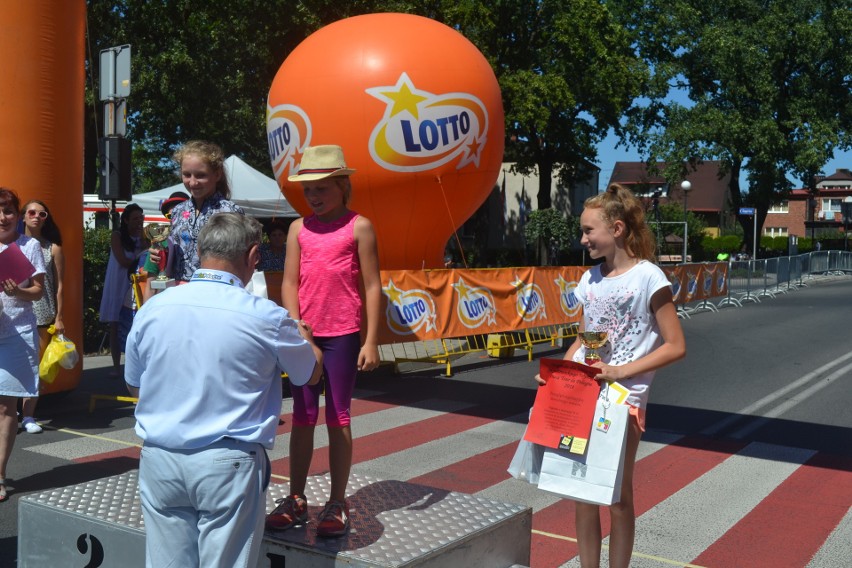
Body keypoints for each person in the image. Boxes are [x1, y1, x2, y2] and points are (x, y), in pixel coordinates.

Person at [124, 212, 323, 568]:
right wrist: (307, 338)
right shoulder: (266, 316)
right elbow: (309, 373)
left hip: (160, 456)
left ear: (200, 252)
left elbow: (134, 382)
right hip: (227, 461)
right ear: (253, 256)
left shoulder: (154, 307)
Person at [536, 183, 686, 568]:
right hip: (583, 396)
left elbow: (675, 345)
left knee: (618, 496)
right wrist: (558, 374)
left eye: (589, 230)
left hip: (624, 400)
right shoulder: (590, 280)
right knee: (582, 493)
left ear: (616, 229)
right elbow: (584, 339)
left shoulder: (649, 278)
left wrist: (619, 371)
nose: (583, 238)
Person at [266, 145, 381, 537]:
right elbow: (289, 282)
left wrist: (371, 340)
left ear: (342, 186)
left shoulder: (359, 226)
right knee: (302, 417)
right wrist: (297, 327)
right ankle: (297, 498)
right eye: (308, 190)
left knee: (338, 416)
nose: (313, 196)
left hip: (344, 335)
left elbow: (372, 285)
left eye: (322, 188)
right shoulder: (299, 228)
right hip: (305, 336)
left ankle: (336, 501)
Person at [0, 188, 46, 502]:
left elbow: (38, 292)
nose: (2, 217)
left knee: (6, 408)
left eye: (8, 211)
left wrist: (18, 291)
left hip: (16, 335)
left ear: (17, 215)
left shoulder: (29, 246)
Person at [165, 140, 244, 282]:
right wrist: (161, 254)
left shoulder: (231, 212)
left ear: (217, 175)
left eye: (201, 175)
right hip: (178, 293)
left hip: (214, 292)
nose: (193, 182)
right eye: (187, 175)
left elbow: (239, 261)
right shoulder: (177, 211)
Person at [19, 199, 65, 434]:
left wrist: (59, 317)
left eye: (42, 213)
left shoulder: (52, 247)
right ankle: (11, 410)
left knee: (35, 367)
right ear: (24, 216)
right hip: (13, 314)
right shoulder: (12, 245)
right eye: (32, 212)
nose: (37, 216)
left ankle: (28, 416)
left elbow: (59, 286)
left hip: (42, 313)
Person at [99, 203, 148, 377]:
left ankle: (134, 366)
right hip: (118, 282)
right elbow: (123, 260)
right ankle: (115, 367)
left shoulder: (144, 237)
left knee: (136, 324)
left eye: (141, 218)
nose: (139, 222)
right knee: (115, 324)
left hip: (135, 284)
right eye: (135, 219)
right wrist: (141, 252)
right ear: (126, 220)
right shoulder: (117, 236)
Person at [140, 191, 187, 303]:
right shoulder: (160, 243)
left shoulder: (202, 240)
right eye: (171, 215)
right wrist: (144, 315)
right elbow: (150, 286)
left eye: (180, 213)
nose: (175, 219)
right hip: (166, 305)